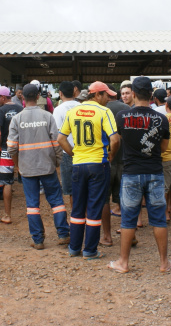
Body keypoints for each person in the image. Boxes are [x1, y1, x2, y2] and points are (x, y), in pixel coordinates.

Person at [108, 77, 171, 274]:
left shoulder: (122, 117)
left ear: (133, 94)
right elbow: (163, 148)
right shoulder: (161, 119)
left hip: (131, 173)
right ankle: (163, 263)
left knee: (127, 220)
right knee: (159, 219)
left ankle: (123, 262)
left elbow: (116, 141)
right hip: (154, 172)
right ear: (151, 95)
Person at [57, 81, 120, 260]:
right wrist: (111, 156)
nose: (108, 98)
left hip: (78, 165)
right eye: (106, 95)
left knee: (78, 207)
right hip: (98, 165)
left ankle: (74, 248)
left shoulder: (72, 111)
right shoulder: (103, 112)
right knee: (94, 208)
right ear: (97, 95)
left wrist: (74, 153)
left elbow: (61, 139)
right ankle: (90, 250)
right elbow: (115, 140)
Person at [7, 84, 69, 249]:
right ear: (38, 97)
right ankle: (63, 234)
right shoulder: (47, 116)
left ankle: (38, 240)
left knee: (32, 205)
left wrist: (17, 165)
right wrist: (56, 161)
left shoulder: (16, 119)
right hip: (47, 166)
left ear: (23, 98)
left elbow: (12, 147)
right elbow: (57, 143)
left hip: (27, 168)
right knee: (56, 201)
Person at [0, 86, 23, 224]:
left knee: (7, 183)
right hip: (23, 149)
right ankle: (32, 213)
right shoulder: (21, 109)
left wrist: (1, 144)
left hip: (6, 149)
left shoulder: (0, 110)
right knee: (28, 180)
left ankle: (7, 215)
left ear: (3, 97)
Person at [103, 85, 130, 245]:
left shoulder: (101, 109)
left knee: (104, 199)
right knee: (125, 198)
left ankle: (107, 236)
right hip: (124, 158)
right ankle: (128, 232)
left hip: (106, 158)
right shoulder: (126, 108)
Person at [53, 81, 79, 208]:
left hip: (67, 152)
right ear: (75, 92)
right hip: (84, 152)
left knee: (71, 190)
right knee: (84, 186)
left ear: (61, 93)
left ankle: (76, 215)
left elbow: (58, 135)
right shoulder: (82, 106)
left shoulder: (58, 110)